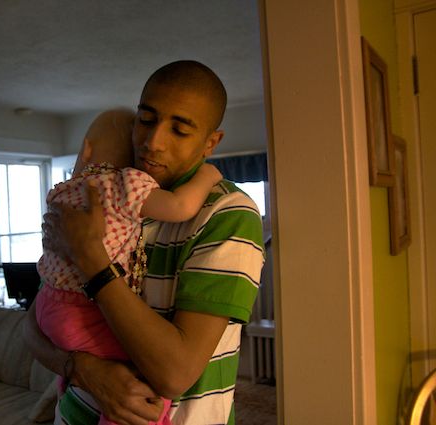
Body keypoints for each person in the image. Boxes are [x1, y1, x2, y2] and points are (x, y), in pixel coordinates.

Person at [24, 60, 265, 425]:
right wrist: (79, 368)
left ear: (211, 143)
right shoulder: (108, 197)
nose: (153, 143)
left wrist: (90, 256)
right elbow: (32, 326)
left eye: (179, 130)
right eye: (146, 120)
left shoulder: (227, 213)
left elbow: (174, 374)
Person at [35, 107, 223, 425]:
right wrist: (209, 175)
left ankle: (68, 384)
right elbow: (180, 205)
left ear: (86, 149)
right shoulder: (125, 184)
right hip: (83, 310)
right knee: (142, 377)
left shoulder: (64, 191)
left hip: (47, 305)